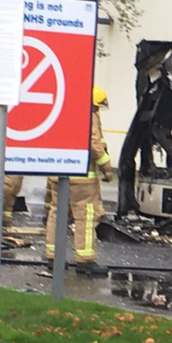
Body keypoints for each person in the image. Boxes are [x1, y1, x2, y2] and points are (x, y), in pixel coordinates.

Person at [45, 86, 113, 276]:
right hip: (82, 180)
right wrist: (107, 169)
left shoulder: (62, 113)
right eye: (97, 107)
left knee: (57, 214)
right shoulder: (88, 117)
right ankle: (85, 261)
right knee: (86, 217)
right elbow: (95, 145)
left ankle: (53, 257)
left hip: (57, 173)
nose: (98, 111)